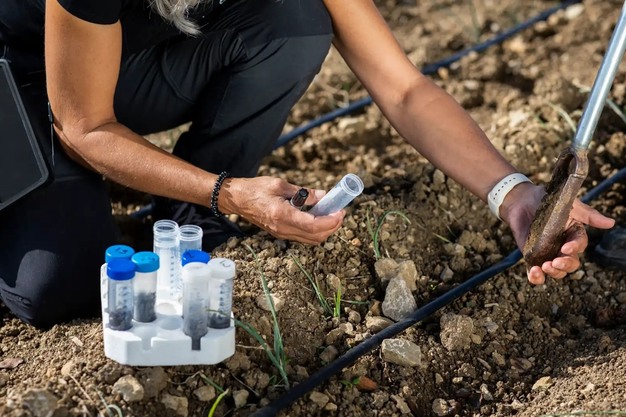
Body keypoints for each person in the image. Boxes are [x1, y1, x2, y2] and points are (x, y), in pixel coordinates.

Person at [0, 0, 615, 328]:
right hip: (23, 77)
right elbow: (85, 126)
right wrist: (232, 192)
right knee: (54, 287)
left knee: (293, 20)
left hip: (126, 60)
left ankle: (186, 212)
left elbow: (403, 88)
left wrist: (512, 192)